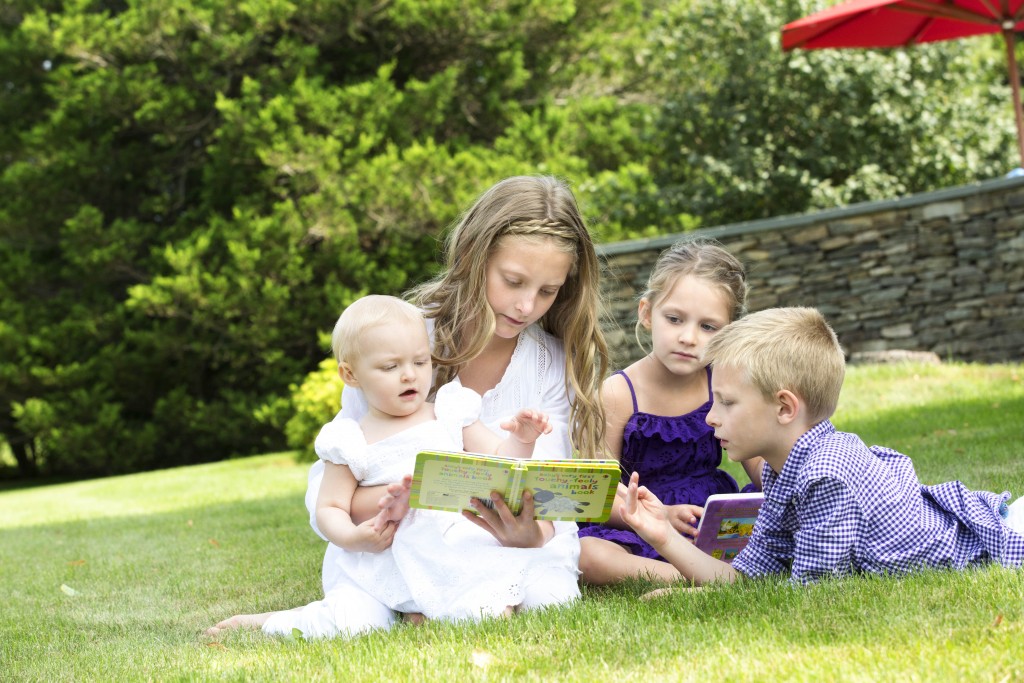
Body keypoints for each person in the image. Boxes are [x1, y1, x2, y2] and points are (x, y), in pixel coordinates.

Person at [210, 176, 608, 637]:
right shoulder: (397, 339)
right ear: (474, 257)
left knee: (550, 602)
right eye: (513, 281)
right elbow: (337, 482)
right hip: (396, 538)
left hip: (509, 539)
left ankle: (434, 606)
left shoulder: (549, 364)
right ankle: (402, 604)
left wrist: (533, 533)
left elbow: (545, 486)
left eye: (547, 291)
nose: (525, 305)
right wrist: (411, 495)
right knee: (363, 617)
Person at [208, 296, 568, 637]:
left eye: (420, 361)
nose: (409, 375)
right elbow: (329, 508)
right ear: (351, 375)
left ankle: (426, 613)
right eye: (390, 366)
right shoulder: (350, 439)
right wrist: (354, 537)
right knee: (356, 624)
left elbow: (503, 467)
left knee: (495, 607)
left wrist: (523, 439)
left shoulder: (449, 411)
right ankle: (269, 623)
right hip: (382, 555)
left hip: (452, 548)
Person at [619, 307, 1024, 586]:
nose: (710, 418)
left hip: (996, 538)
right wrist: (661, 536)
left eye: (726, 402)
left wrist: (695, 597)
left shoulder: (825, 475)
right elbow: (749, 577)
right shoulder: (784, 470)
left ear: (784, 407)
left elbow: (811, 593)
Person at [577, 239, 763, 586]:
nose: (689, 337)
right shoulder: (618, 393)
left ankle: (713, 570)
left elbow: (757, 462)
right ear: (647, 313)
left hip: (704, 518)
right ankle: (688, 579)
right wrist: (657, 514)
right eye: (675, 319)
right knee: (589, 555)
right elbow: (595, 492)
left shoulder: (722, 383)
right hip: (637, 523)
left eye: (708, 327)